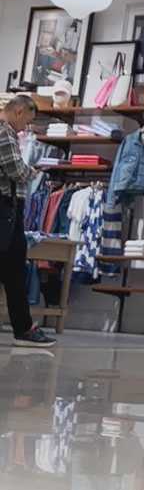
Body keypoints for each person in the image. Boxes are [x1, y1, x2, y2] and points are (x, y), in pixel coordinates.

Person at [0, 94, 54, 349]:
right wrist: (34, 171)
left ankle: (24, 327)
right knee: (13, 270)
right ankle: (23, 328)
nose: (26, 128)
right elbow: (17, 171)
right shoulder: (5, 132)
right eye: (26, 121)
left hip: (9, 209)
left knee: (13, 271)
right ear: (19, 111)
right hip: (5, 208)